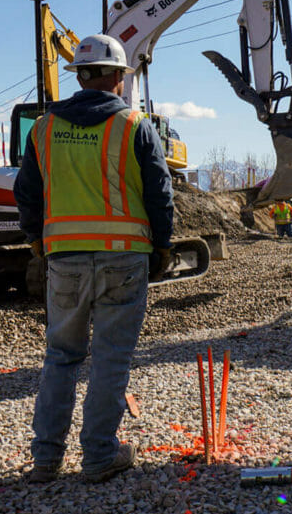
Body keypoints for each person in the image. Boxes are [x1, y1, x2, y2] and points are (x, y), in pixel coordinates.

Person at [14, 34, 174, 484]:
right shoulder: (133, 125)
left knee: (61, 357)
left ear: (80, 76)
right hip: (124, 258)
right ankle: (99, 455)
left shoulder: (44, 127)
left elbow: (26, 192)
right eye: (123, 75)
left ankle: (46, 460)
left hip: (63, 257)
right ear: (116, 77)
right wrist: (162, 245)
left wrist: (36, 239)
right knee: (110, 358)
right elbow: (160, 193)